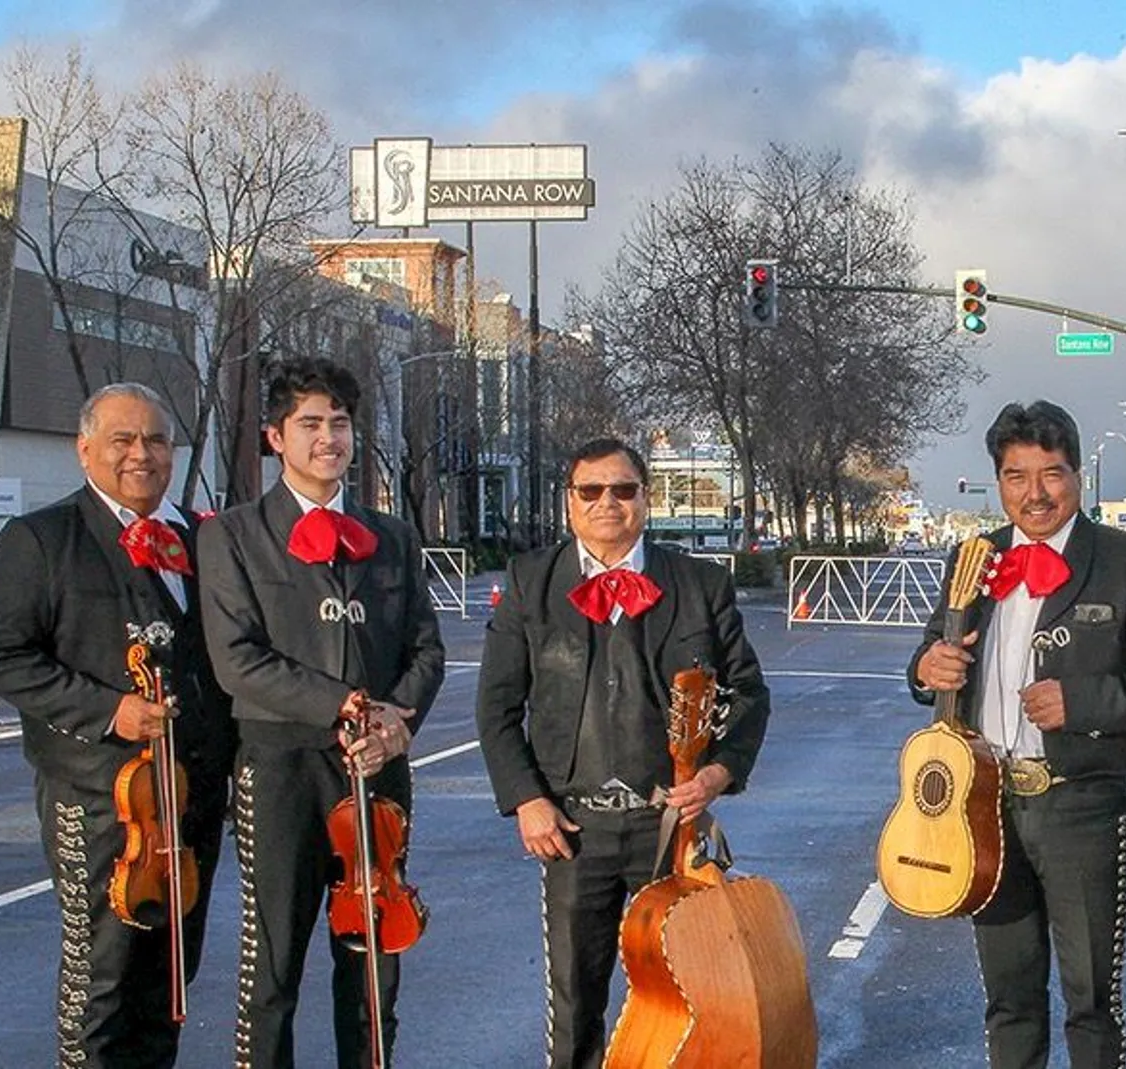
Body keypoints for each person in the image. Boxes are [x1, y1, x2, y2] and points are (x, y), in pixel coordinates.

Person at [910, 400, 1126, 1068]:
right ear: (998, 479)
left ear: (1078, 475)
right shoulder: (973, 556)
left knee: (1091, 997)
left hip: (1081, 802)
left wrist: (1083, 699)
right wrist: (926, 668)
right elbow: (932, 652)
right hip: (984, 804)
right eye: (1016, 475)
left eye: (1052, 473)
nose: (1034, 492)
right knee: (1009, 994)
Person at [473, 436, 771, 1069]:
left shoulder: (699, 582)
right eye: (591, 491)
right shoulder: (532, 582)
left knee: (684, 995)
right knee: (575, 1003)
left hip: (668, 823)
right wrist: (528, 800)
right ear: (570, 503)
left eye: (624, 489)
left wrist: (718, 773)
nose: (608, 502)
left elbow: (749, 693)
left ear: (644, 497)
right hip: (572, 828)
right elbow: (496, 707)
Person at [0, 382, 235, 1068]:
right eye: (122, 440)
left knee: (172, 979)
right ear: (84, 448)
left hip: (192, 797)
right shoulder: (42, 538)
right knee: (102, 982)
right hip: (97, 795)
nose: (140, 454)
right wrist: (107, 708)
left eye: (154, 440)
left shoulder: (203, 538)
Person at [196, 356, 444, 1069]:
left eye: (339, 422)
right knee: (273, 964)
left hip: (378, 764)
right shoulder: (234, 535)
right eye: (310, 423)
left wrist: (397, 719)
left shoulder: (392, 535)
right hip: (281, 767)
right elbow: (235, 658)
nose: (328, 437)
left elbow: (426, 645)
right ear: (276, 437)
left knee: (372, 962)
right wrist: (342, 703)